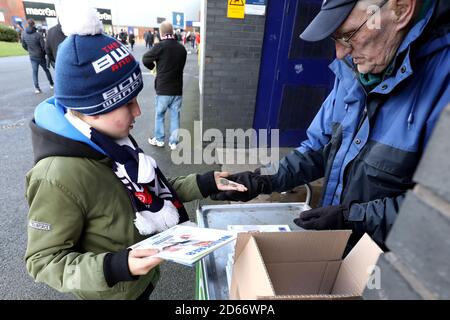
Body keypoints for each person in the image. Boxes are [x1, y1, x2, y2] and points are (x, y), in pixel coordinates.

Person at [24, 7, 247, 300]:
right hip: (114, 291)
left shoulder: (114, 143)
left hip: (141, 280)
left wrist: (205, 182)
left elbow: (151, 191)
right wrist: (114, 267)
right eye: (126, 104)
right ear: (92, 109)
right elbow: (43, 261)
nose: (139, 111)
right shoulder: (57, 176)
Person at [212, 0, 450, 250]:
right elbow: (319, 149)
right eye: (335, 39)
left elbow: (439, 209)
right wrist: (264, 180)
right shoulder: (355, 71)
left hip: (396, 271)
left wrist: (356, 218)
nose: (340, 53)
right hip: (341, 249)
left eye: (348, 36)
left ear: (401, 9)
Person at [142, 21, 187, 151]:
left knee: (160, 115)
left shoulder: (160, 47)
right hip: (177, 89)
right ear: (172, 32)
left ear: (161, 33)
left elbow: (146, 59)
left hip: (163, 89)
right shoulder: (181, 48)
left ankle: (159, 139)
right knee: (175, 116)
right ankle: (173, 142)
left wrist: (153, 67)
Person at [21, 19, 54, 94]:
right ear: (33, 25)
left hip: (32, 56)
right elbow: (43, 46)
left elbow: (24, 45)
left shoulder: (24, 34)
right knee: (46, 70)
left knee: (35, 72)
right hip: (40, 56)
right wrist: (45, 54)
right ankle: (51, 84)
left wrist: (29, 50)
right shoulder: (38, 35)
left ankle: (37, 88)